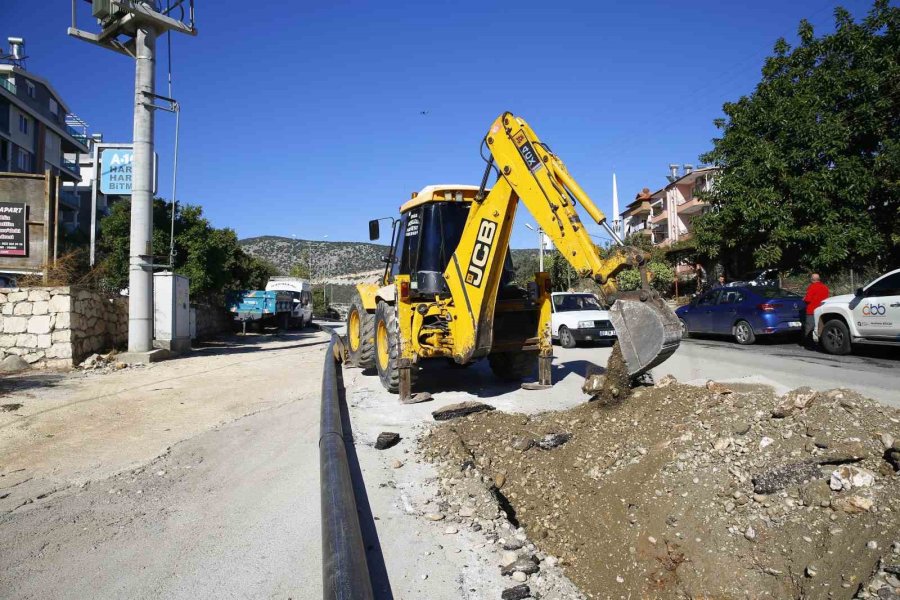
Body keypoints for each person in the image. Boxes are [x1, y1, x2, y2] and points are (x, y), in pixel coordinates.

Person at [802, 273, 829, 348]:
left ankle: (809, 344)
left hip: (812, 310)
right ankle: (822, 343)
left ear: (812, 280)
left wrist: (804, 299)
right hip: (822, 310)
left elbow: (808, 299)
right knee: (821, 327)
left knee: (809, 327)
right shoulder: (825, 287)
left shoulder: (811, 287)